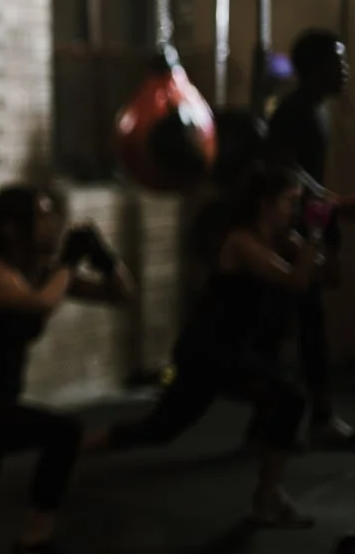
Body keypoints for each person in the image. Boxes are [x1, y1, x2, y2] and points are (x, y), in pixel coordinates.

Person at [90, 164, 320, 529]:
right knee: (160, 429)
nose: (294, 209)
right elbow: (296, 282)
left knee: (286, 396)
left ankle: (268, 496)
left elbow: (325, 276)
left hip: (238, 352)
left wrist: (324, 239)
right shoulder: (241, 241)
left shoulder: (284, 240)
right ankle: (76, 447)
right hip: (209, 350)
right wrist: (315, 235)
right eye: (289, 201)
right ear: (265, 203)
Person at [0, 185, 132, 554]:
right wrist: (70, 261)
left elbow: (121, 295)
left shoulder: (42, 274)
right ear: (11, 228)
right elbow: (40, 303)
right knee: (64, 433)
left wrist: (104, 257)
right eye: (42, 215)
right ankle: (32, 547)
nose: (52, 223)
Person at [265, 28, 351, 446]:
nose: (346, 70)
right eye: (339, 61)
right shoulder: (293, 111)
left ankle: (306, 418)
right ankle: (313, 418)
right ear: (317, 68)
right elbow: (287, 173)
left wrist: (330, 231)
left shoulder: (316, 111)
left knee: (301, 326)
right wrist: (332, 204)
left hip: (307, 231)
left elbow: (312, 185)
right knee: (292, 326)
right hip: (286, 235)